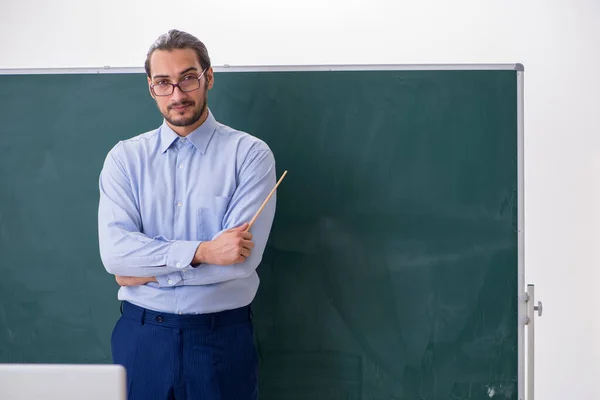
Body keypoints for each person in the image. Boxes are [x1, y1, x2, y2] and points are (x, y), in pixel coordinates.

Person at [98, 29, 277, 400]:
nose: (177, 95)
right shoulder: (125, 160)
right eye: (164, 82)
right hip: (143, 339)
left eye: (188, 78)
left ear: (208, 77)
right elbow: (115, 256)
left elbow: (239, 263)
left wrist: (144, 270)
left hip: (220, 339)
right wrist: (203, 252)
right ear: (151, 87)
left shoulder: (249, 155)